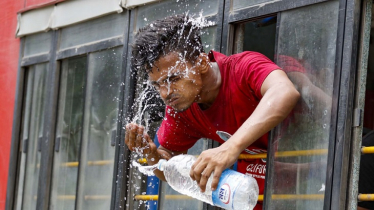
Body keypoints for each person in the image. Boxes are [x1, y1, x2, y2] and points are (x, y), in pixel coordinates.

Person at [125, 14, 300, 210]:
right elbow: (168, 164)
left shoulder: (243, 67)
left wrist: (230, 147)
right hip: (257, 192)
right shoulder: (181, 108)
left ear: (201, 63)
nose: (165, 94)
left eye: (173, 79)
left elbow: (284, 91)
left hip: (319, 176)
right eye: (158, 85)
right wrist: (151, 155)